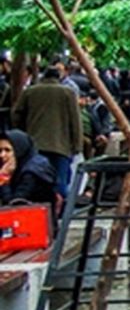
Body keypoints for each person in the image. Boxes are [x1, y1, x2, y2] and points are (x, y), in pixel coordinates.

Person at [12, 67, 82, 202]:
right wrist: (76, 145)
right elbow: (75, 121)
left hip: (35, 143)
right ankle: (61, 213)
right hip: (61, 145)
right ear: (58, 77)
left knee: (36, 179)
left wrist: (22, 134)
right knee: (60, 181)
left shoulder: (30, 92)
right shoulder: (68, 93)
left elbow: (16, 114)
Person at [0, 129, 57, 207]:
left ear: (19, 150)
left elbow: (13, 205)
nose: (2, 155)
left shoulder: (32, 172)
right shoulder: (18, 167)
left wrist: (4, 178)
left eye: (7, 150)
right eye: (0, 150)